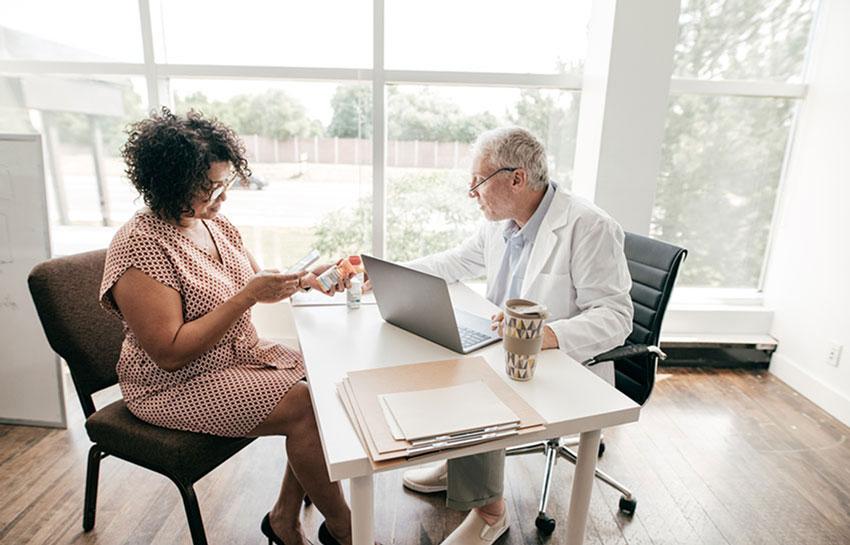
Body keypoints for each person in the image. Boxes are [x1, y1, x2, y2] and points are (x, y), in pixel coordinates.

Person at [99, 108, 354, 545]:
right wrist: (248, 296)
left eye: (226, 183)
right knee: (307, 406)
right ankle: (349, 532)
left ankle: (283, 519)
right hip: (172, 384)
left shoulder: (213, 222)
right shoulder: (140, 245)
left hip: (239, 357)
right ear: (171, 184)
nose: (223, 197)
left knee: (328, 380)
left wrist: (306, 279)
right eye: (211, 187)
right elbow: (170, 351)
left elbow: (255, 284)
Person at [399, 127, 634, 545]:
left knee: (475, 380)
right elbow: (455, 262)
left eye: (478, 181)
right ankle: (459, 464)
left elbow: (617, 317)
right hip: (501, 344)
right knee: (438, 350)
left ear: (517, 178)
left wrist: (546, 335)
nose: (472, 192)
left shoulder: (589, 226)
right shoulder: (502, 223)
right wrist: (387, 271)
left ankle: (490, 511)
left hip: (560, 364)